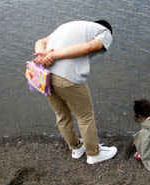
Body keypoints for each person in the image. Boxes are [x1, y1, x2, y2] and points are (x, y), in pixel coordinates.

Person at [33, 20, 117, 164]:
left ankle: (76, 148)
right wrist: (51, 56)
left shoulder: (66, 27)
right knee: (85, 117)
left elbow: (40, 42)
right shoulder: (105, 32)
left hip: (45, 76)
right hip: (67, 77)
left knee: (62, 115)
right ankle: (93, 153)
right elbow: (86, 47)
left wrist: (42, 56)